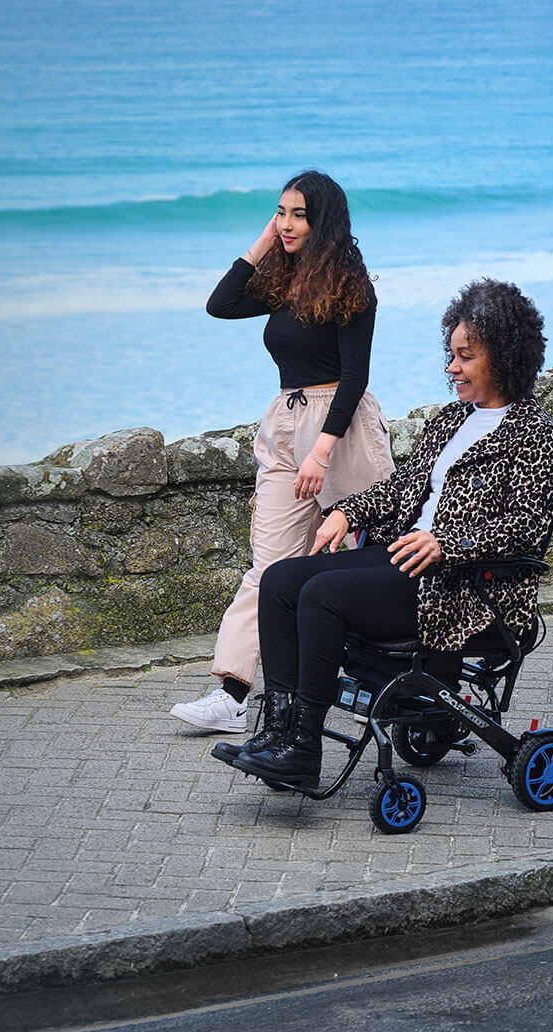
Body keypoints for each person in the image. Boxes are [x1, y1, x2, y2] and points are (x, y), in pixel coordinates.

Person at [223, 278, 553, 790]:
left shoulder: (536, 438)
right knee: (280, 580)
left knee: (321, 595)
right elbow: (402, 491)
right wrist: (346, 512)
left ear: (503, 355)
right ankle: (277, 731)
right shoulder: (451, 420)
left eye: (465, 357)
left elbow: (524, 529)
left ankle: (303, 746)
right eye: (451, 355)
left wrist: (449, 544)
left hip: (461, 587)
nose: (452, 367)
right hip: (404, 559)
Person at [169, 170, 395, 736]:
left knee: (383, 548)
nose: (287, 223)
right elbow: (219, 304)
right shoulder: (283, 279)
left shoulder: (352, 285)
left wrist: (323, 451)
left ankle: (404, 673)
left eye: (297, 215)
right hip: (287, 424)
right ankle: (232, 694)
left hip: (341, 428)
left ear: (323, 221)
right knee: (269, 566)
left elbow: (354, 375)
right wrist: (265, 241)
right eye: (280, 212)